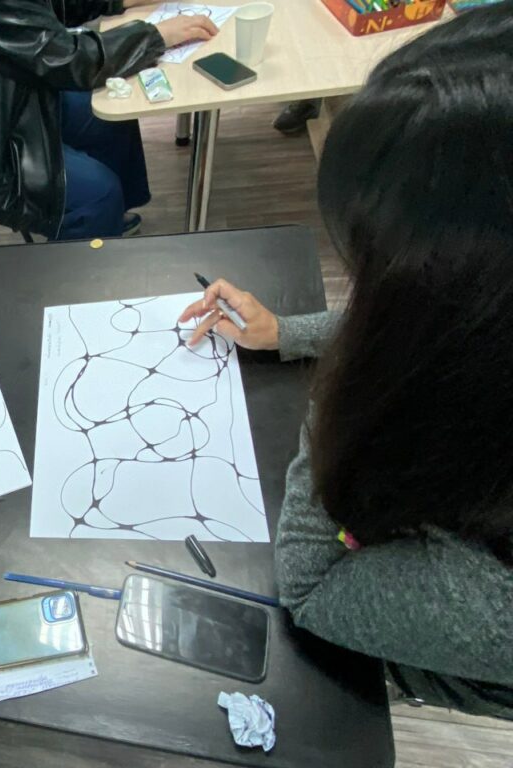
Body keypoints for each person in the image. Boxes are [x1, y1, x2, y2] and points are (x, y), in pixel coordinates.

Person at [179, 2, 513, 718]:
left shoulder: (491, 596)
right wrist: (288, 331)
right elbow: (445, 320)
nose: (359, 300)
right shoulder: (480, 324)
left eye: (373, 281)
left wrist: (347, 381)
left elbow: (312, 588)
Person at [0, 0, 218, 241]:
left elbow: (51, 9)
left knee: (109, 114)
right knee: (97, 195)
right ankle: (84, 266)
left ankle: (108, 226)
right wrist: (155, 35)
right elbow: (72, 60)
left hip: (4, 105)